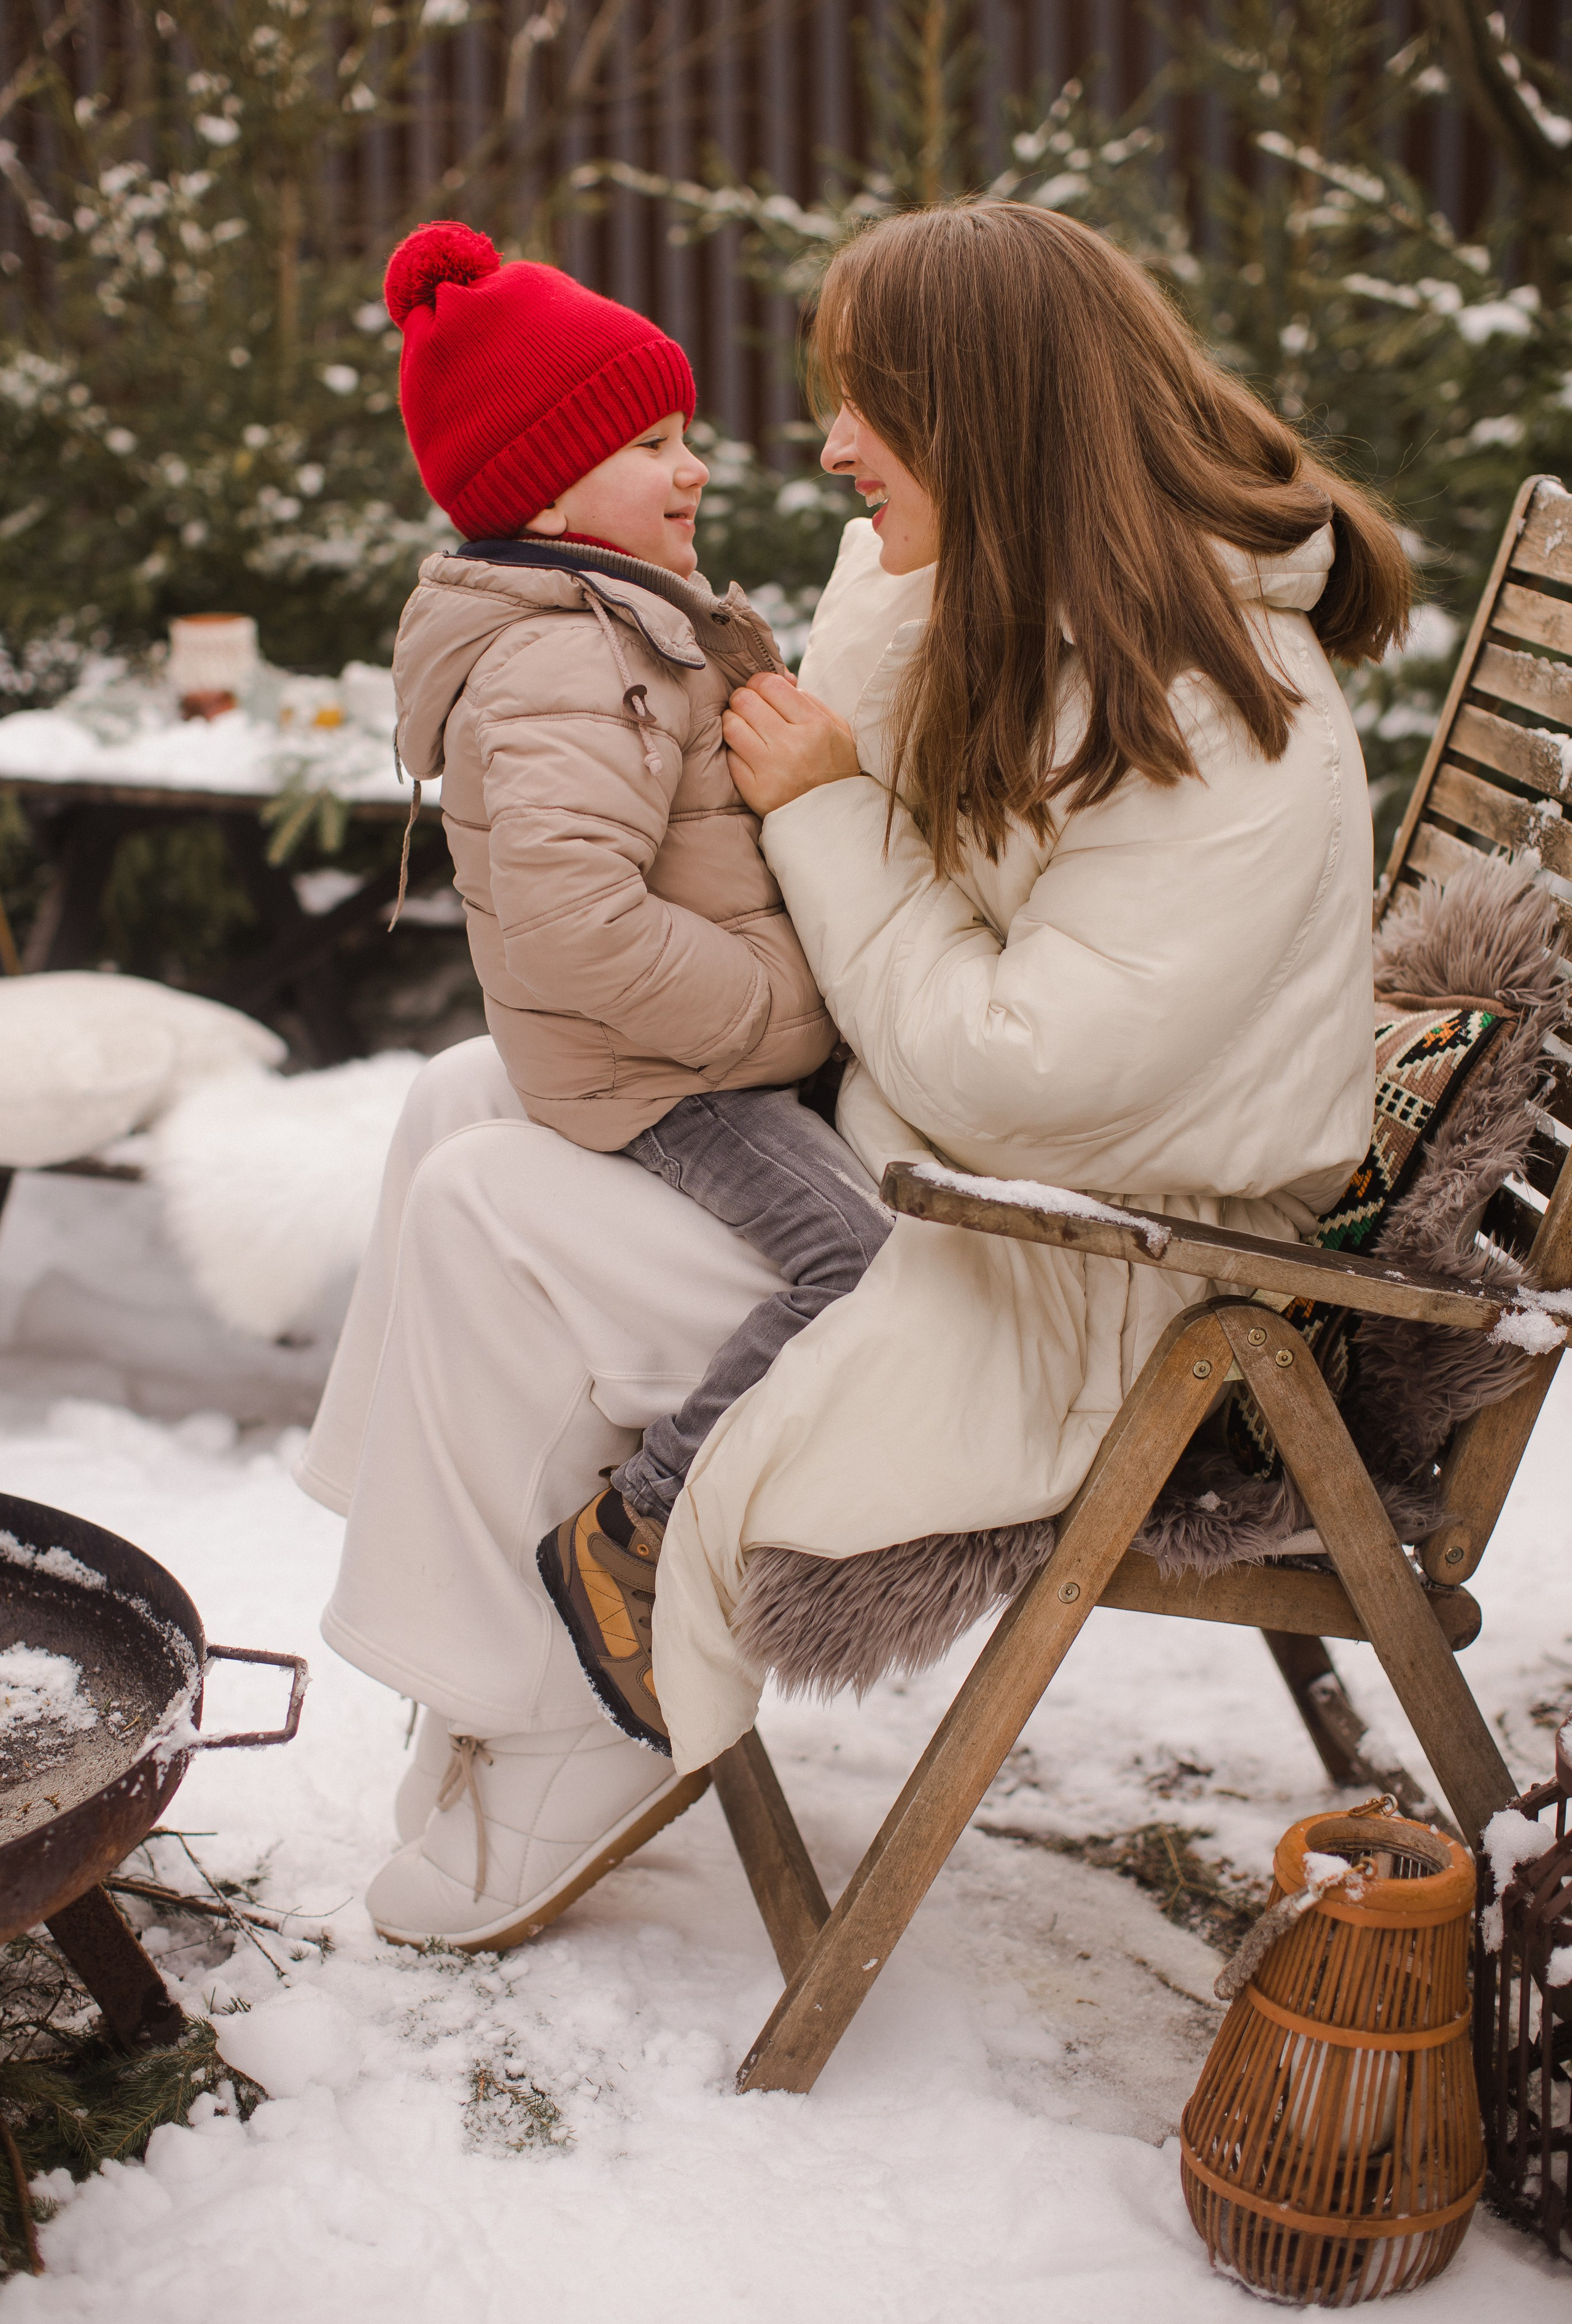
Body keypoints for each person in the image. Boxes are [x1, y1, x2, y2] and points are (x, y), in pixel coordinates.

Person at [298, 200, 1403, 1953]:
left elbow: (1016, 1075)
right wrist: (876, 632)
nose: (825, 449)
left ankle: (594, 1701)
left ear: (990, 418)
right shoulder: (1007, 592)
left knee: (487, 1198)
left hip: (1073, 1274)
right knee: (462, 1098)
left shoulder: (1218, 717)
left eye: (868, 405)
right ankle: (519, 1670)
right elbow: (894, 863)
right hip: (938, 1177)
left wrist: (821, 802)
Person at [378, 221, 893, 1769]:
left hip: (681, 1055)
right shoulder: (560, 660)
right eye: (649, 443)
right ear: (544, 486)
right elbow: (573, 926)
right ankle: (637, 1541)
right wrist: (777, 1012)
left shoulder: (620, 618)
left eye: (684, 435)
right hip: (666, 1073)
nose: (693, 465)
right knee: (860, 1267)